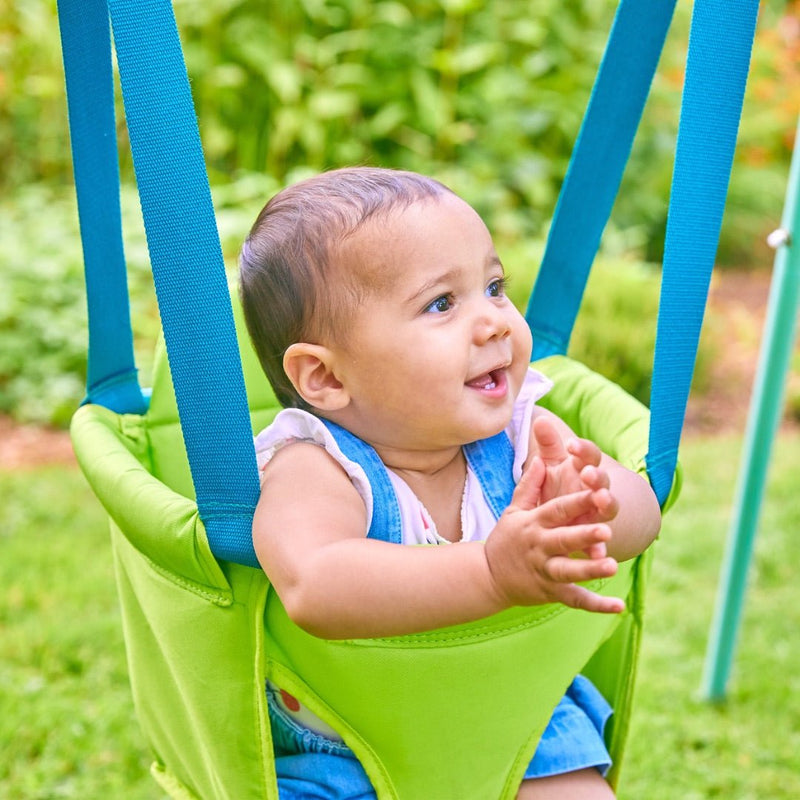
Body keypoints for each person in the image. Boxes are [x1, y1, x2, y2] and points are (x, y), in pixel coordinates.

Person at [239, 167, 662, 799]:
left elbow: (644, 520)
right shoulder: (315, 465)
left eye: (494, 287)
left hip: (516, 714)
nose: (493, 321)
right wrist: (491, 574)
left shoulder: (520, 433)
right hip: (348, 749)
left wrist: (589, 503)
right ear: (326, 379)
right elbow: (314, 584)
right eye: (442, 303)